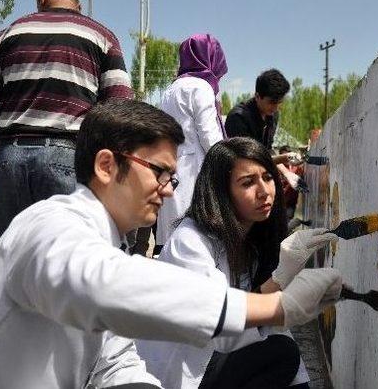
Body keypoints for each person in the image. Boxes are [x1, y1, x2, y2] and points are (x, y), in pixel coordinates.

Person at [0, 100, 343, 388]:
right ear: (105, 165)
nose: (169, 190)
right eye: (159, 172)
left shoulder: (105, 244)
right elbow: (98, 286)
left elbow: (112, 357)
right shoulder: (52, 223)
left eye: (173, 177)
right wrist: (276, 305)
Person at [138, 138, 336, 388]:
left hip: (213, 359)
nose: (265, 191)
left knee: (284, 352)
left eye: (268, 177)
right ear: (221, 191)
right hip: (183, 368)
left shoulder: (252, 240)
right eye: (248, 182)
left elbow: (269, 327)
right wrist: (280, 279)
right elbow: (221, 326)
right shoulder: (191, 242)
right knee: (280, 353)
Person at [0, 0, 132, 237]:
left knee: (14, 256)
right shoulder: (102, 36)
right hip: (68, 155)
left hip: (9, 158)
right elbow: (120, 105)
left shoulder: (9, 33)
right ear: (78, 5)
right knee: (67, 257)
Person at [156, 33, 227, 249]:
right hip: (195, 174)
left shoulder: (171, 89)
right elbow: (210, 138)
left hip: (172, 172)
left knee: (173, 242)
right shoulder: (200, 87)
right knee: (197, 241)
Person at [225, 68, 290, 149]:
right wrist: (280, 159)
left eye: (279, 102)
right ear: (257, 96)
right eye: (272, 102)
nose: (276, 108)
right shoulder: (238, 118)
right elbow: (243, 157)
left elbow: (267, 149)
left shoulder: (273, 115)